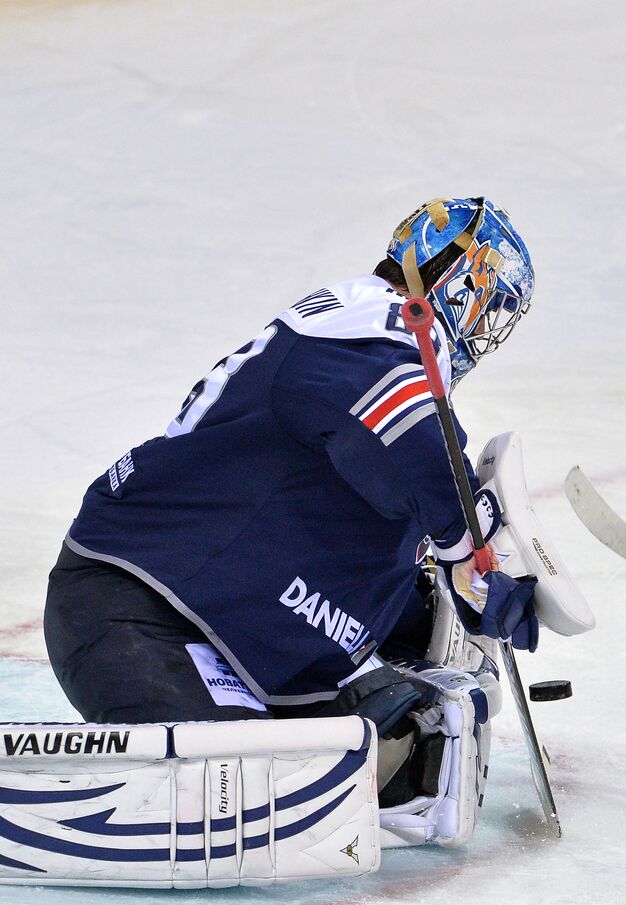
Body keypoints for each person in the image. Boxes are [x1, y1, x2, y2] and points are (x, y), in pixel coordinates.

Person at [43, 197, 539, 826]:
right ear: (458, 279)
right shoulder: (375, 327)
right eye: (486, 303)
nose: (482, 326)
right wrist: (475, 554)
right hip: (140, 606)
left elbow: (368, 484)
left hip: (218, 621)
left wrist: (438, 597)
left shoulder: (377, 334)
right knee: (241, 793)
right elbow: (415, 448)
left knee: (385, 752)